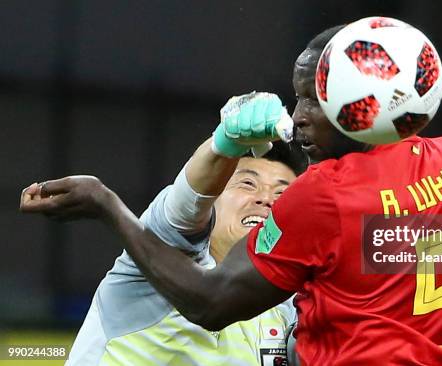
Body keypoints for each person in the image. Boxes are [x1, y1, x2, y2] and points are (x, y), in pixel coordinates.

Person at [21, 26, 442, 365]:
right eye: (245, 181)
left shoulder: (327, 202)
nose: (297, 119)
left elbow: (212, 302)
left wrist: (105, 204)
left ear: (355, 106)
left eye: (310, 101)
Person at [45, 92, 306, 365]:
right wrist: (226, 142)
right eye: (247, 184)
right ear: (213, 200)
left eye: (282, 194)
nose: (265, 198)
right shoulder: (158, 253)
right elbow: (187, 202)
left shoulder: (288, 309)